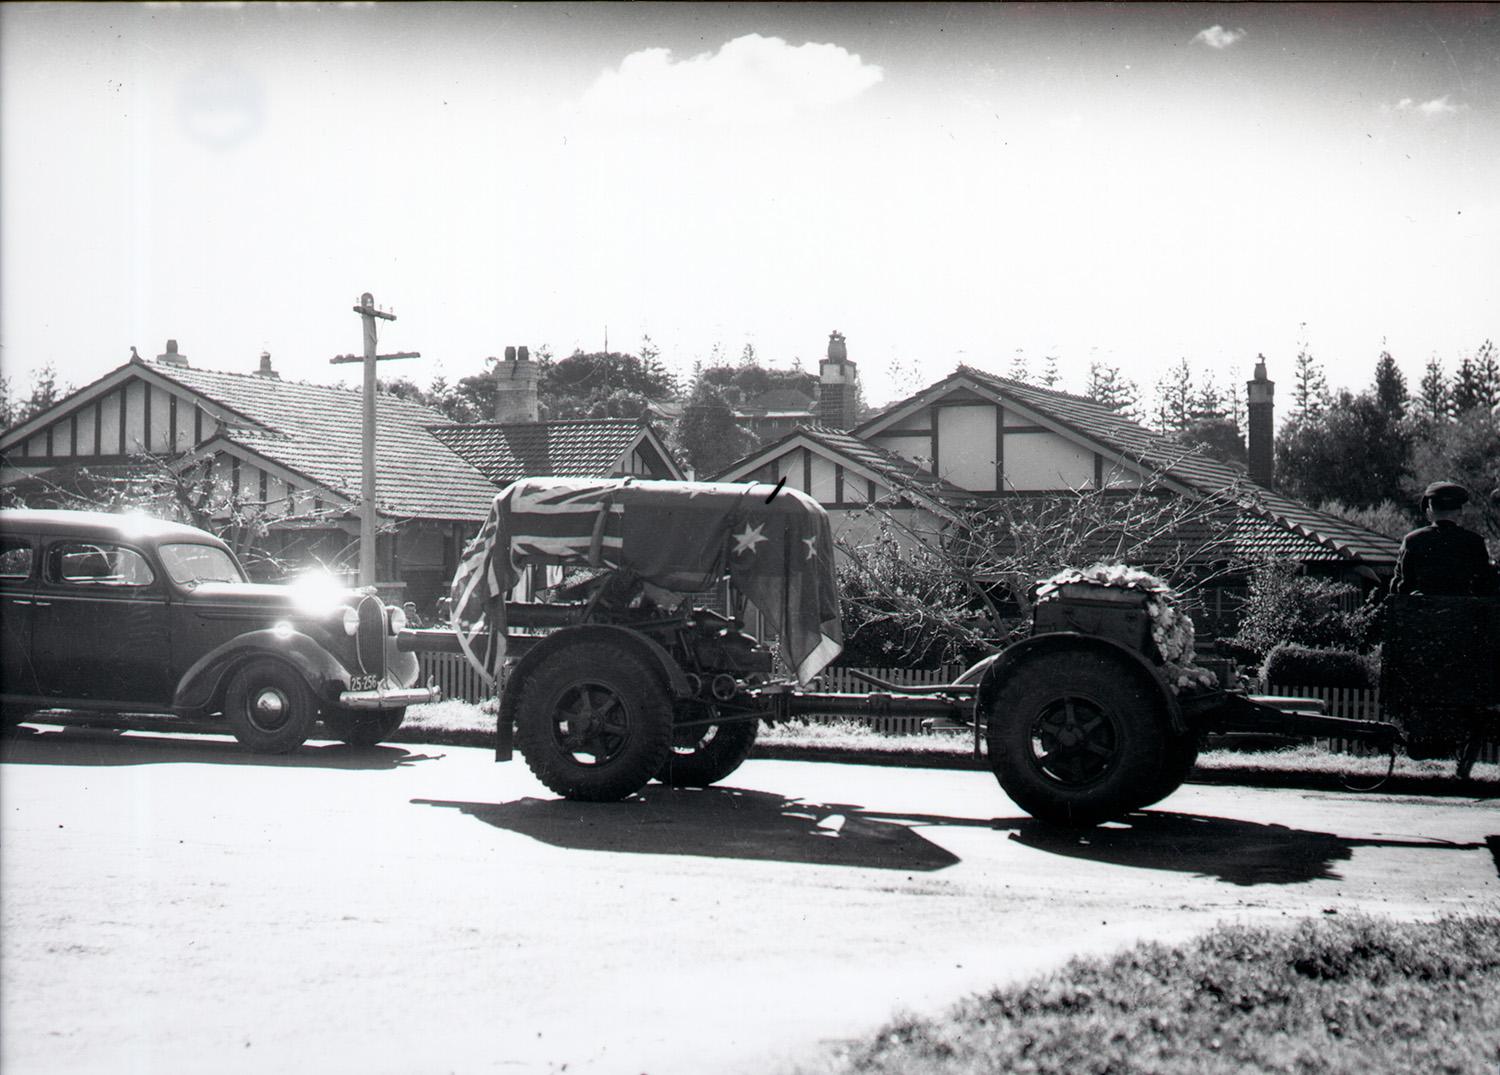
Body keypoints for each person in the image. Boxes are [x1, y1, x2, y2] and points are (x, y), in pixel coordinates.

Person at [1391, 481, 1497, 596]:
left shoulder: (1412, 541)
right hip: (1463, 612)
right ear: (1459, 512)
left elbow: (1399, 586)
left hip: (1422, 611)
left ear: (1429, 512)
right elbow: (1486, 586)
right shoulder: (1474, 542)